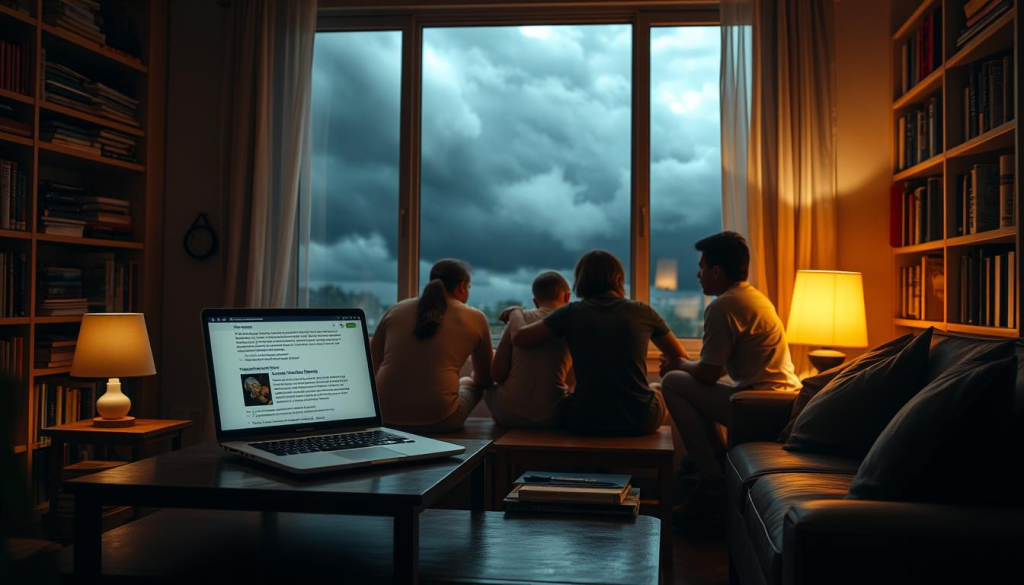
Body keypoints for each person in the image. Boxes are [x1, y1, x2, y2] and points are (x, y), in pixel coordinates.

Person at [658, 231, 800, 518]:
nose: (698, 275)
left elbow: (709, 373)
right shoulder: (752, 297)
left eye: (701, 267)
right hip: (778, 400)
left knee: (673, 382)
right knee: (690, 384)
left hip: (762, 405)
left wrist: (676, 364)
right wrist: (687, 366)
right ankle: (715, 467)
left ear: (716, 271)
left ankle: (712, 482)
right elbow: (718, 368)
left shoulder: (722, 305)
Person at [504, 250, 687, 436]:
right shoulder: (643, 311)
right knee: (657, 388)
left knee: (570, 397)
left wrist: (515, 312)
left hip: (583, 419)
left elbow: (520, 338)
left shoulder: (570, 313)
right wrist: (667, 363)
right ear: (618, 278)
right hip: (640, 419)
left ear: (581, 280)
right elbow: (680, 355)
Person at [371, 258, 494, 433]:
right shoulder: (476, 318)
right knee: (469, 381)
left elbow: (375, 362)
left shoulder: (395, 309)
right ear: (462, 287)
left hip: (384, 417)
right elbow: (484, 379)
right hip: (440, 421)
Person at [485, 271, 574, 428]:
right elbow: (571, 381)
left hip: (509, 414)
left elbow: (497, 375)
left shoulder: (519, 320)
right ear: (567, 297)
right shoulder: (571, 324)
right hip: (553, 417)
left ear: (535, 301)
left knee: (485, 385)